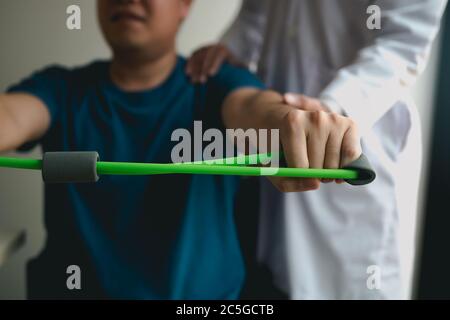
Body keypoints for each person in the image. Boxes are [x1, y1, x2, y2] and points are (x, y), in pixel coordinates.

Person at [0, 0, 362, 299]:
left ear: (184, 5)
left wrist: (290, 123)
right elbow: (10, 117)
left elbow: (256, 111)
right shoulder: (60, 89)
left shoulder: (218, 85)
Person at [187, 0, 448, 299]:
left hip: (357, 143)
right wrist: (233, 49)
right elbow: (257, 10)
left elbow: (403, 41)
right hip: (280, 139)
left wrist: (332, 109)